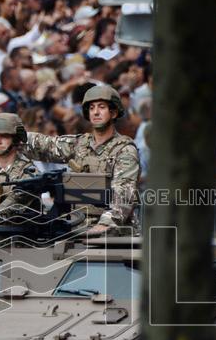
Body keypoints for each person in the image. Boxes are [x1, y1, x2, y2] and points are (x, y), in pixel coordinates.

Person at [20, 84, 140, 234]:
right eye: (91, 108)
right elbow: (46, 145)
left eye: (101, 107)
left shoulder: (124, 150)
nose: (96, 112)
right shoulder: (79, 144)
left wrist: (105, 224)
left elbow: (124, 194)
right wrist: (12, 134)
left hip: (115, 234)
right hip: (79, 228)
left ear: (114, 113)